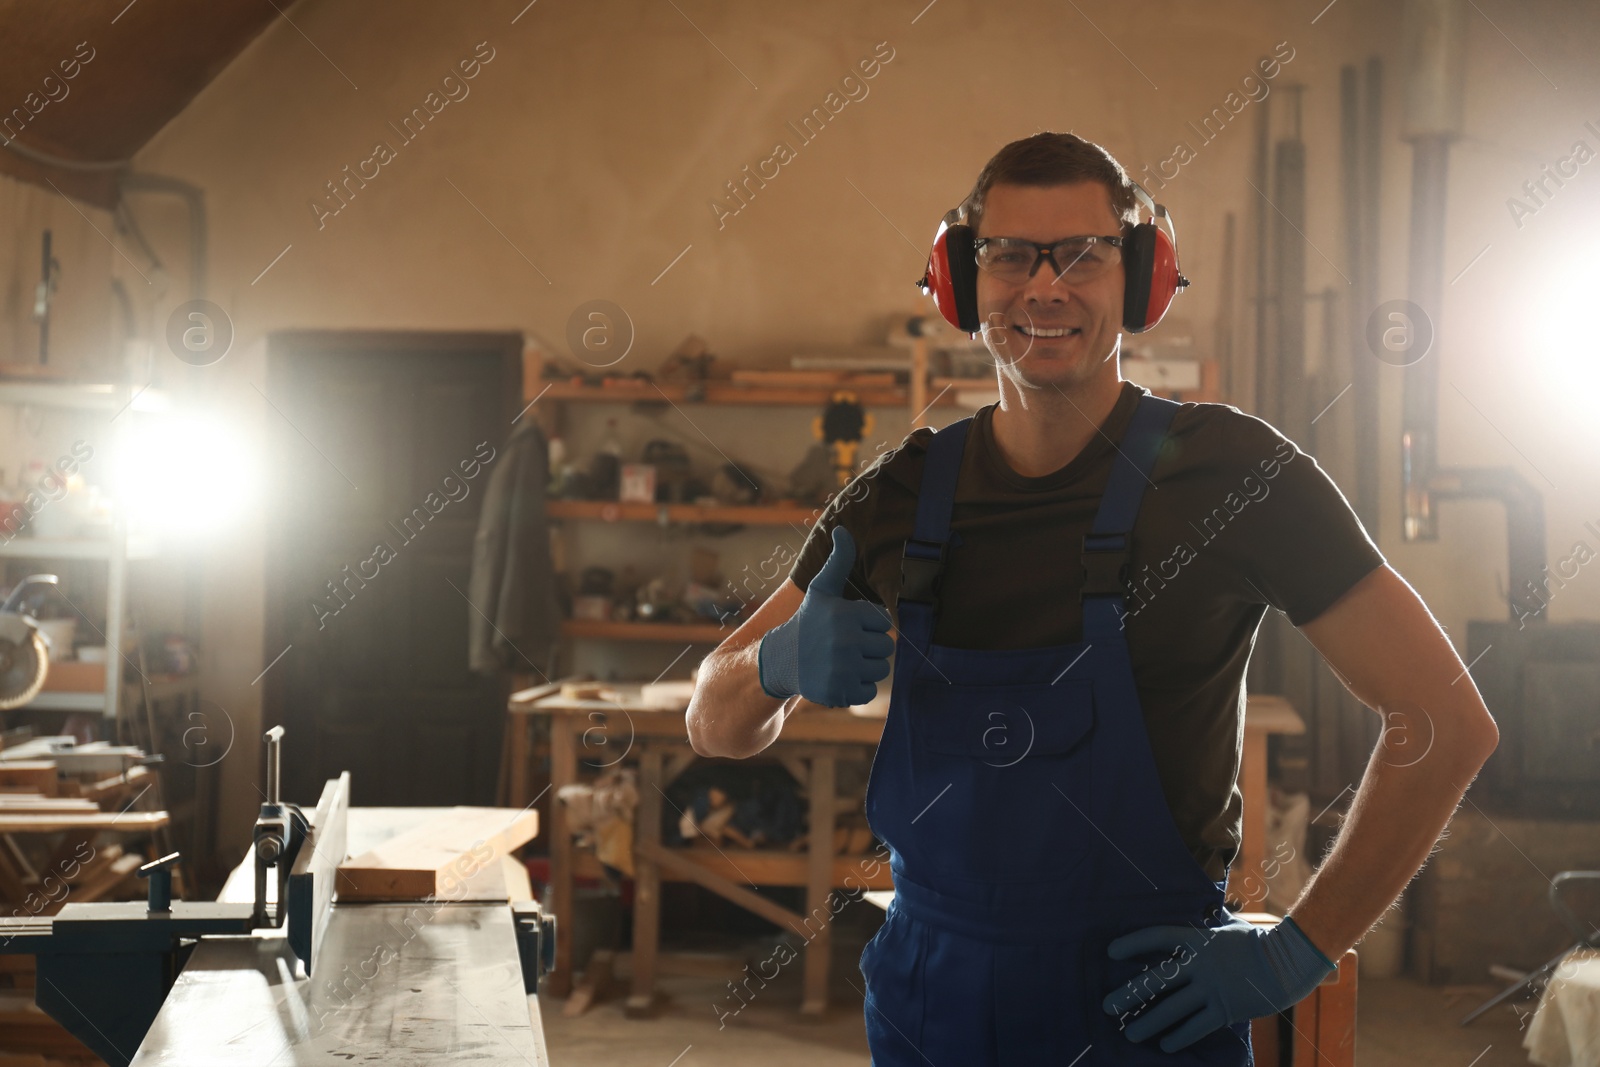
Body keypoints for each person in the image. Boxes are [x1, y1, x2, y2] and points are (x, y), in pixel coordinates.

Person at [686, 131, 1498, 1065]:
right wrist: (773, 666)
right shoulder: (894, 496)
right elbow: (714, 718)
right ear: (960, 281)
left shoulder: (1234, 474)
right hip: (929, 1000)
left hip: (1148, 1008)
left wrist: (1302, 949)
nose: (1044, 286)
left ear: (1142, 278)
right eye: (1007, 255)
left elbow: (1444, 718)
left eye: (1083, 253)